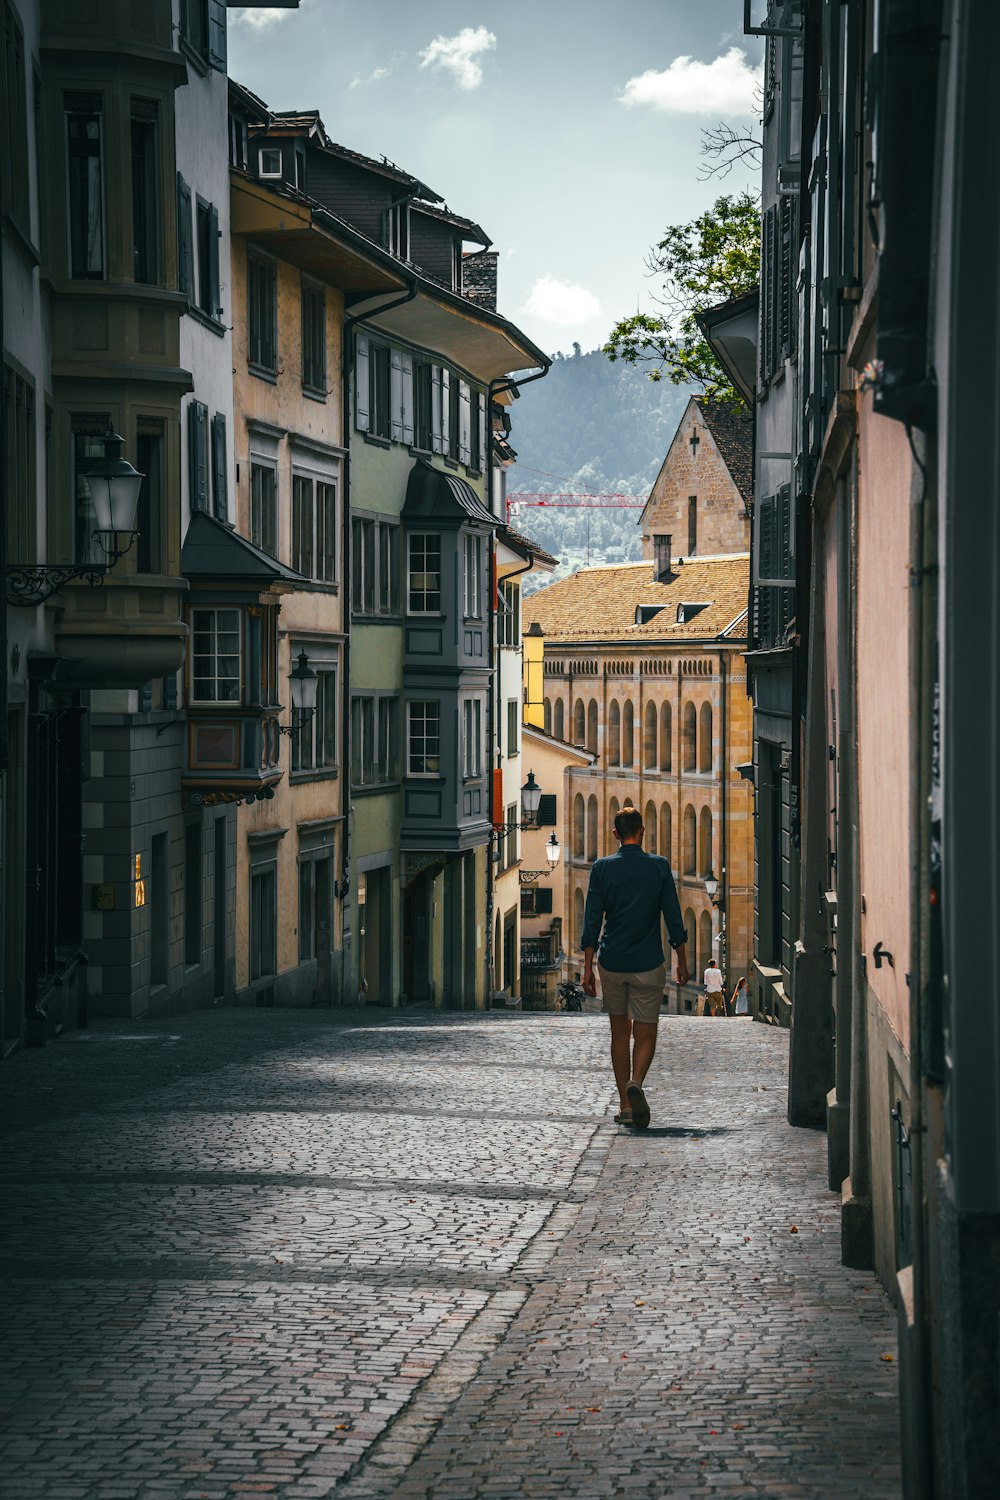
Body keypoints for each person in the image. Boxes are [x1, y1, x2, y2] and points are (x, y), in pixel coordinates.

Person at [581, 806, 690, 1129]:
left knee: (619, 1033)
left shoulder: (601, 869)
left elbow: (591, 920)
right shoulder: (658, 868)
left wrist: (587, 967)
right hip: (648, 963)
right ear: (642, 831)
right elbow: (673, 917)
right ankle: (637, 1082)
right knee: (645, 1031)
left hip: (612, 962)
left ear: (615, 834)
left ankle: (625, 1104)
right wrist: (682, 961)